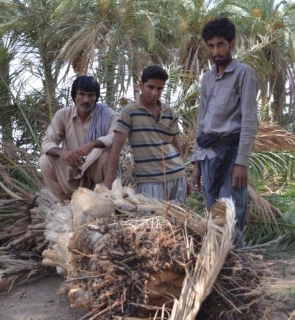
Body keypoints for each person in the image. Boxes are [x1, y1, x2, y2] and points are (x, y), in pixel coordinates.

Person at [191, 17, 259, 247]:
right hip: (208, 155)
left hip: (231, 155)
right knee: (214, 214)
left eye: (221, 45)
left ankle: (236, 267)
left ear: (232, 43)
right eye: (211, 46)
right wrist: (196, 163)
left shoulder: (244, 74)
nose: (216, 51)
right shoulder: (207, 79)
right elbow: (202, 122)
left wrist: (242, 162)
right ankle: (217, 267)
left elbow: (249, 121)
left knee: (232, 214)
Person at [104, 65, 189, 203]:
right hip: (150, 181)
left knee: (177, 222)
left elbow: (176, 146)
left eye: (159, 88)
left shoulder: (169, 112)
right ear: (141, 85)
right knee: (153, 221)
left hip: (177, 176)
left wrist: (185, 177)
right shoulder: (129, 111)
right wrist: (108, 183)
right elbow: (116, 148)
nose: (155, 92)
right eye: (151, 87)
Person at [39, 75, 118, 201]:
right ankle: (65, 202)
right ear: (74, 96)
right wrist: (63, 152)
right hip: (72, 167)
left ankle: (105, 198)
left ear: (96, 97)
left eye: (91, 95)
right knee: (45, 161)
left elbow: (116, 137)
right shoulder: (63, 115)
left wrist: (92, 144)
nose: (86, 100)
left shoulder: (107, 114)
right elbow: (47, 142)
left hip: (96, 169)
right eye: (81, 94)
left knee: (107, 154)